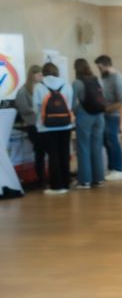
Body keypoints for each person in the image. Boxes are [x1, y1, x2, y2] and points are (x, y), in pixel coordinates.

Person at [32, 62, 74, 195]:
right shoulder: (66, 84)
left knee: (53, 155)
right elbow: (70, 104)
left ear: (43, 72)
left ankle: (56, 185)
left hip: (47, 126)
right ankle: (66, 183)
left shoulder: (39, 86)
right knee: (64, 153)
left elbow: (35, 107)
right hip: (65, 124)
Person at [71, 58, 106, 189]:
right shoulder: (96, 79)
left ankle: (85, 180)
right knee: (97, 147)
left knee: (83, 148)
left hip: (84, 115)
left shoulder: (77, 83)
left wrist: (74, 112)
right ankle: (99, 179)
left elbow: (72, 102)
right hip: (99, 115)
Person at [95, 55, 122, 181]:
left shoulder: (117, 78)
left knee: (112, 141)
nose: (98, 70)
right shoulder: (105, 77)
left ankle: (118, 168)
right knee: (108, 141)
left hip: (113, 115)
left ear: (105, 65)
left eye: (99, 67)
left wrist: (107, 109)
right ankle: (112, 167)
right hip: (106, 114)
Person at [13, 65, 46, 189]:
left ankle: (44, 178)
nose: (41, 77)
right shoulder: (23, 91)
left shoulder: (41, 88)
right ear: (32, 75)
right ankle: (41, 179)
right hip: (33, 124)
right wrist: (37, 109)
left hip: (42, 124)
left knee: (42, 152)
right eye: (39, 75)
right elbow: (23, 108)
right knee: (39, 152)